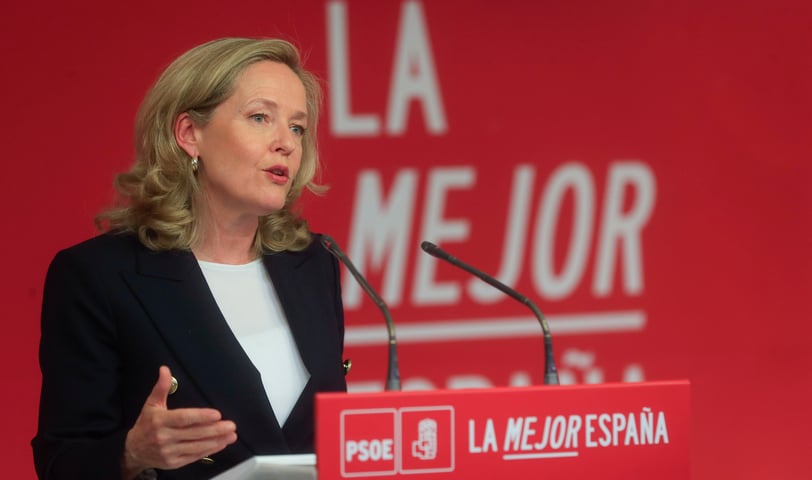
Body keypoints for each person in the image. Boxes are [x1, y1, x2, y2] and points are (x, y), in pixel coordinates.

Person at [32, 37, 348, 480]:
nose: (287, 144)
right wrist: (131, 454)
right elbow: (62, 461)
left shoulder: (312, 262)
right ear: (189, 134)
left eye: (297, 127)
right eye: (260, 117)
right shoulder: (99, 276)